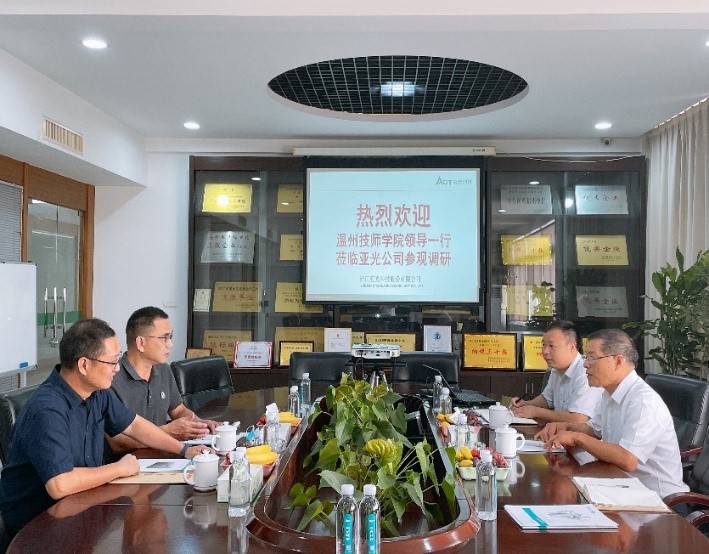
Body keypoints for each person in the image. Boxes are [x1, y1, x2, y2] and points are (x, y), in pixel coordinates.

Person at [0, 318, 207, 534]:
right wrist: (119, 469)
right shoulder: (47, 409)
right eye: (112, 362)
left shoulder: (96, 394)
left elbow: (135, 426)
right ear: (84, 365)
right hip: (37, 527)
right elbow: (60, 485)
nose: (117, 369)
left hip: (81, 508)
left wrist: (184, 450)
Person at [536, 328, 689, 498]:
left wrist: (576, 437)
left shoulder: (643, 401)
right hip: (620, 487)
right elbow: (593, 430)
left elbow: (628, 460)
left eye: (592, 357)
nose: (585, 364)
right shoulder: (609, 393)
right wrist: (563, 427)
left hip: (659, 500)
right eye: (586, 357)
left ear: (617, 361)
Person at [107, 307, 217, 456]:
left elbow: (178, 410)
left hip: (162, 455)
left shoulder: (163, 369)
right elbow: (117, 442)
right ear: (141, 343)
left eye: (170, 337)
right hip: (127, 462)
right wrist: (167, 432)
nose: (170, 344)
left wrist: (199, 425)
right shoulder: (111, 378)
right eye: (164, 338)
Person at [511, 320, 601, 423]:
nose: (545, 351)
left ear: (571, 347)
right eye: (543, 345)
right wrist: (525, 404)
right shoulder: (556, 368)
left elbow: (578, 419)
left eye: (551, 346)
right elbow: (547, 399)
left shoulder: (586, 372)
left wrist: (535, 411)